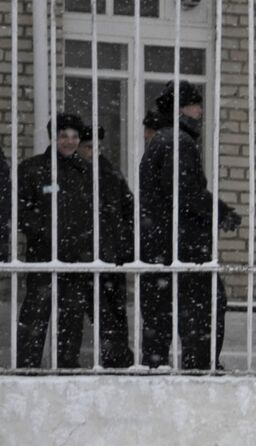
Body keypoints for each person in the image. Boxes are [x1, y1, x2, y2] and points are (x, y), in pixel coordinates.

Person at [139, 80, 241, 371]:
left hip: (162, 244)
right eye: (197, 106)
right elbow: (186, 193)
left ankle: (155, 371)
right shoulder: (177, 142)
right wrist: (221, 213)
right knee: (204, 309)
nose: (200, 112)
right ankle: (200, 368)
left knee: (160, 315)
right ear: (183, 109)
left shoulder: (164, 139)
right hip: (181, 246)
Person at [16, 114, 94, 368]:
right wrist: (43, 234)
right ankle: (26, 369)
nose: (69, 142)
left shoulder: (85, 171)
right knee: (35, 318)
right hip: (43, 257)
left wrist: (85, 241)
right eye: (64, 136)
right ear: (54, 137)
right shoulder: (34, 168)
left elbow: (95, 211)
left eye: (74, 137)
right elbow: (20, 211)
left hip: (76, 260)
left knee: (71, 321)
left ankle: (67, 369)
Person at [78, 123, 135, 368]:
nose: (94, 152)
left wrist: (124, 246)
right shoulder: (73, 172)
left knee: (113, 313)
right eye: (89, 147)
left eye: (97, 147)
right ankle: (115, 358)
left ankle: (118, 360)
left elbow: (128, 209)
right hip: (84, 255)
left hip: (110, 255)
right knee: (101, 313)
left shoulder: (109, 172)